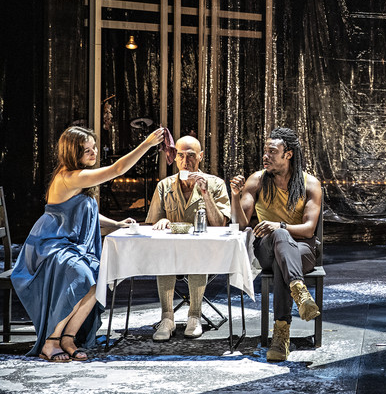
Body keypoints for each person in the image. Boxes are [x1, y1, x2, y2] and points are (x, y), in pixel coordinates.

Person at [11, 125, 165, 361]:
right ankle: (51, 341)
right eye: (87, 150)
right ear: (73, 152)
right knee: (82, 276)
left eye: (94, 148)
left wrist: (116, 224)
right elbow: (117, 169)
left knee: (99, 276)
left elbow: (85, 211)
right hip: (51, 245)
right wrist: (146, 144)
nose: (94, 153)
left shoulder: (78, 177)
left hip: (70, 245)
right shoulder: (70, 177)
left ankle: (68, 338)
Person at [230, 126, 322, 362]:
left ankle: (280, 337)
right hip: (267, 250)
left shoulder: (310, 184)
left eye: (272, 151)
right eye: (265, 151)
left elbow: (309, 229)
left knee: (282, 248)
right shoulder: (257, 180)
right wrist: (235, 195)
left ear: (288, 154)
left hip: (303, 250)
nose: (265, 156)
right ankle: (299, 291)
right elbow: (240, 224)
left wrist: (279, 226)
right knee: (279, 238)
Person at [144, 135, 231, 340]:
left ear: (200, 156)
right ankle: (167, 318)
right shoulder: (164, 186)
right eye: (181, 155)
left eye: (191, 155)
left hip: (204, 253)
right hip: (172, 252)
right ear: (175, 157)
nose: (186, 161)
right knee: (164, 255)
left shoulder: (215, 184)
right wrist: (162, 220)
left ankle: (195, 315)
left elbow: (220, 224)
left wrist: (205, 193)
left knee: (196, 256)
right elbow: (152, 224)